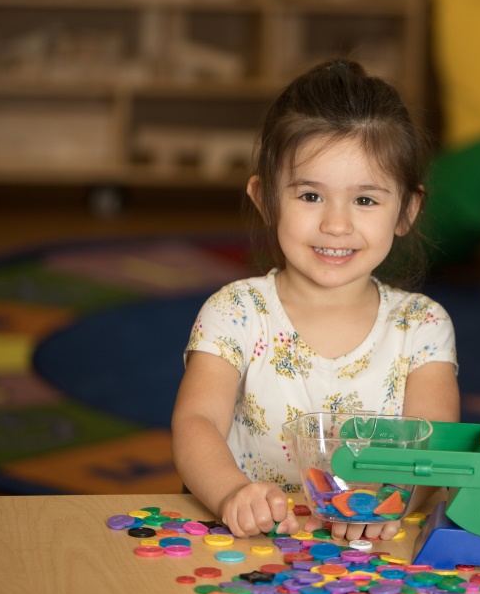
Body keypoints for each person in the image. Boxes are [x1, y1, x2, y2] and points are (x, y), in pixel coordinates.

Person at [172, 59, 460, 542]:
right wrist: (231, 494)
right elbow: (196, 422)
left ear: (406, 210)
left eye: (365, 200)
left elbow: (430, 448)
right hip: (251, 549)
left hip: (371, 558)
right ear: (265, 198)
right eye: (310, 196)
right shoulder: (235, 314)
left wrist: (386, 500)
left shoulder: (423, 326)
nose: (336, 224)